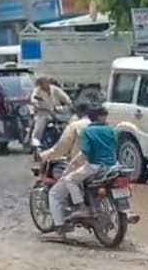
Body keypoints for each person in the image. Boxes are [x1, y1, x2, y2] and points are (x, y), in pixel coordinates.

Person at [48, 104, 118, 233]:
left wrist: (73, 162)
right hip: (113, 165)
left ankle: (81, 208)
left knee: (68, 181)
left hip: (94, 166)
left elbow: (84, 152)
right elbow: (115, 147)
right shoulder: (112, 130)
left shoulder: (85, 130)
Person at [30, 77, 72, 145]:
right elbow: (34, 100)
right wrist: (37, 105)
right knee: (39, 127)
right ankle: (36, 143)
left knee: (71, 122)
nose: (45, 84)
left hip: (58, 112)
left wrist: (69, 103)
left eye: (46, 82)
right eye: (43, 83)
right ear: (39, 84)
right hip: (43, 113)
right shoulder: (37, 91)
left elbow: (65, 97)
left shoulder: (54, 89)